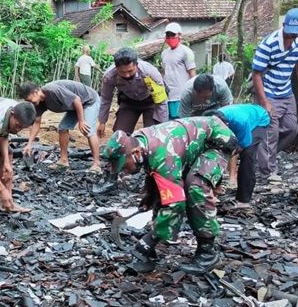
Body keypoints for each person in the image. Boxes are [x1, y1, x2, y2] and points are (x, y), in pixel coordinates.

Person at [102, 116, 237, 274]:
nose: (123, 172)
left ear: (136, 154)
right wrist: (150, 197)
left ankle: (207, 253)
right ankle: (159, 230)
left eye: (124, 166)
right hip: (191, 145)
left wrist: (151, 239)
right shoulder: (139, 141)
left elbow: (175, 203)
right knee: (170, 190)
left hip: (217, 141)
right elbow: (157, 175)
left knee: (195, 186)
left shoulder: (162, 154)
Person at [251, 8, 298, 177]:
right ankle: (268, 172)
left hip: (286, 92)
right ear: (284, 25)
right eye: (290, 32)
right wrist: (264, 101)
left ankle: (262, 155)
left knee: (292, 128)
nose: (292, 37)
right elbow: (256, 74)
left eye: (296, 33)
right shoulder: (268, 44)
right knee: (270, 133)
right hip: (268, 92)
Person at [20, 80, 102, 173]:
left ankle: (96, 164)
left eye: (30, 100)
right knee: (62, 128)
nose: (31, 103)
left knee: (88, 130)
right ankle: (63, 160)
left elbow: (76, 100)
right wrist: (29, 144)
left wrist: (81, 121)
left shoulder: (52, 90)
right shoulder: (38, 103)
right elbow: (36, 123)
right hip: (74, 107)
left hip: (89, 100)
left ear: (36, 92)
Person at [204, 104, 270, 207]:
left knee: (247, 155)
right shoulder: (210, 120)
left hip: (259, 121)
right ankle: (213, 190)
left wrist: (230, 153)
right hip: (242, 118)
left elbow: (243, 144)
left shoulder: (240, 122)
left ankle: (243, 200)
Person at [97, 47, 168, 137]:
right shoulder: (109, 76)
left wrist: (163, 124)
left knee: (153, 135)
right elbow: (106, 99)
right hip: (129, 102)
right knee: (120, 135)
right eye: (122, 72)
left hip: (151, 101)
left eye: (130, 71)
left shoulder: (149, 71)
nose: (127, 75)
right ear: (116, 68)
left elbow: (161, 99)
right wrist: (102, 122)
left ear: (136, 65)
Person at [161, 22, 196, 119]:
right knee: (169, 121)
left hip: (181, 95)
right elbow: (164, 73)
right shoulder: (164, 54)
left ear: (179, 35)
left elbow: (192, 74)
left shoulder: (186, 52)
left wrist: (194, 92)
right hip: (168, 95)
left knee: (181, 120)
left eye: (173, 35)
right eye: (168, 35)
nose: (170, 37)